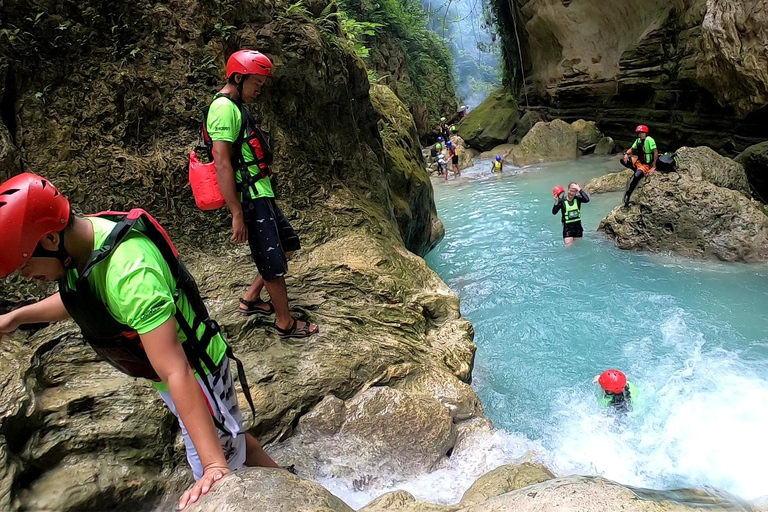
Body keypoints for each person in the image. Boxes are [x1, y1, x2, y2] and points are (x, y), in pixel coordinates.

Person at [0, 173, 286, 511]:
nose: (27, 277)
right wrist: (16, 317)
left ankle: (284, 491)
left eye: (24, 266)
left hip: (196, 373)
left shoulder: (133, 274)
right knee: (230, 442)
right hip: (173, 374)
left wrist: (213, 466)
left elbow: (175, 369)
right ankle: (281, 476)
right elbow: (83, 299)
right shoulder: (83, 243)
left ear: (49, 239)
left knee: (216, 477)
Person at [207, 49, 318, 338]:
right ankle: (285, 323)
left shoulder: (236, 106)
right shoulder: (222, 109)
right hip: (251, 199)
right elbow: (221, 161)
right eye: (257, 83)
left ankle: (252, 298)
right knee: (271, 263)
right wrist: (236, 213)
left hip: (261, 192)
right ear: (238, 77)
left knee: (288, 243)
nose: (259, 90)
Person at [620, 125, 658, 207]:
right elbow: (632, 149)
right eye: (640, 133)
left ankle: (628, 194)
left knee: (637, 176)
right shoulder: (638, 141)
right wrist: (626, 154)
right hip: (639, 162)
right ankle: (636, 169)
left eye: (642, 133)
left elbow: (655, 152)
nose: (641, 134)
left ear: (645, 133)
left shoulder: (649, 140)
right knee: (623, 160)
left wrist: (654, 166)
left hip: (646, 164)